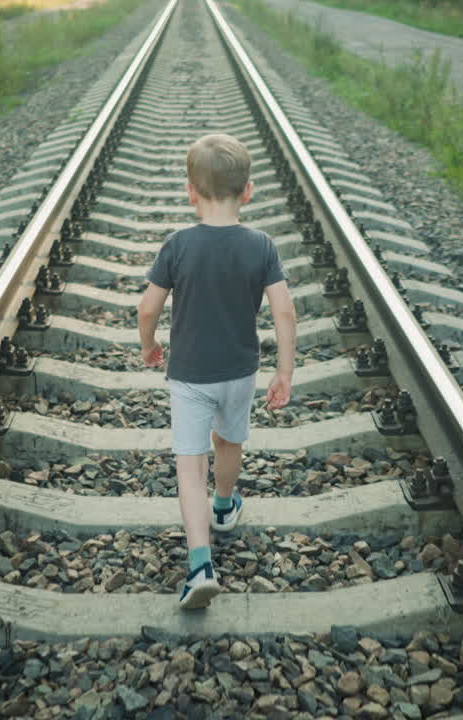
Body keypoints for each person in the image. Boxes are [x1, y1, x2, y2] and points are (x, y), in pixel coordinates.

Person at [137, 133, 298, 610]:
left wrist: (148, 345)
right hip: (239, 372)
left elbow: (148, 308)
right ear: (247, 191)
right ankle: (225, 507)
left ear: (191, 192)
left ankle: (200, 563)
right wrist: (283, 371)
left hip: (189, 375)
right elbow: (284, 312)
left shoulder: (177, 244)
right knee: (229, 441)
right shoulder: (262, 245)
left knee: (191, 466)